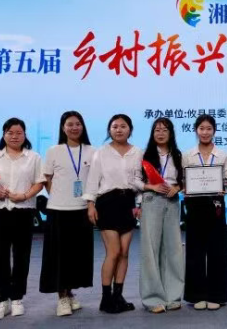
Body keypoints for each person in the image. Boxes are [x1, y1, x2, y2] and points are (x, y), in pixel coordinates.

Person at [0, 118, 45, 320]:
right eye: (10, 132)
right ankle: (1, 299)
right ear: (3, 134)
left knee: (22, 256)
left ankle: (17, 298)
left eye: (19, 133)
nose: (14, 136)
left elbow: (39, 182)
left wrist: (24, 196)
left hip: (23, 211)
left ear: (24, 135)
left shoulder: (33, 157)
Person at [84, 114, 143, 314]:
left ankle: (118, 296)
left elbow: (139, 180)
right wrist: (90, 204)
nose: (119, 130)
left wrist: (139, 204)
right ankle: (105, 298)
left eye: (123, 126)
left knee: (125, 253)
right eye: (115, 126)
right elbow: (93, 180)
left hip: (128, 203)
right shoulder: (101, 152)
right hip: (107, 203)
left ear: (130, 129)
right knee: (114, 251)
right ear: (109, 130)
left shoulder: (137, 152)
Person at [40, 111, 95, 316]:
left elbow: (94, 179)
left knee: (76, 256)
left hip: (82, 210)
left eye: (77, 124)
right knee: (59, 256)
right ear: (63, 128)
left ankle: (70, 292)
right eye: (69, 124)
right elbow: (47, 178)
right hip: (58, 210)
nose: (74, 128)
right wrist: (57, 195)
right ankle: (61, 297)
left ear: (83, 126)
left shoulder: (91, 151)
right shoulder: (54, 151)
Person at [182, 114, 227, 310]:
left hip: (215, 204)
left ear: (214, 131)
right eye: (201, 128)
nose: (205, 132)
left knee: (217, 250)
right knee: (195, 250)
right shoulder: (187, 155)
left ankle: (216, 295)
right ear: (196, 130)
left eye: (209, 128)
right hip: (194, 205)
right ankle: (196, 295)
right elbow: (183, 179)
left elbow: (225, 180)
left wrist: (223, 187)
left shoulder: (223, 155)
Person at [138, 118, 184, 313]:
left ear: (171, 133)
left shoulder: (178, 155)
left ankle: (173, 296)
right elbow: (134, 180)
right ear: (152, 133)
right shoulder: (145, 155)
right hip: (151, 201)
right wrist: (151, 187)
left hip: (172, 202)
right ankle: (153, 299)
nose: (161, 133)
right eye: (157, 130)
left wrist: (177, 188)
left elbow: (184, 179)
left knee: (173, 250)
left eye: (165, 130)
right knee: (151, 250)